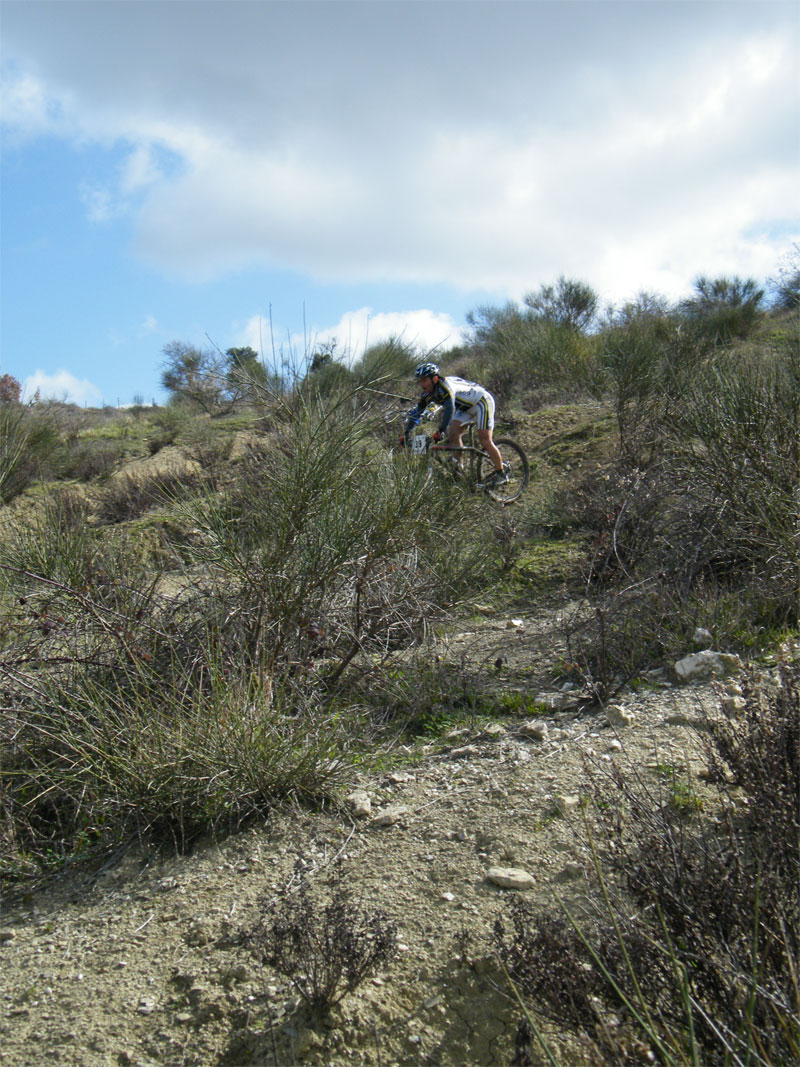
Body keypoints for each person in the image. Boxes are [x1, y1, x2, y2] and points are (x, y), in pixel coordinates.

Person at [403, 363, 508, 485]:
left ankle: (501, 473)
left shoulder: (446, 387)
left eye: (424, 380)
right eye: (419, 381)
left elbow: (450, 408)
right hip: (466, 408)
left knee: (484, 439)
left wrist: (441, 430)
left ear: (435, 378)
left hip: (481, 401)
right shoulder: (427, 394)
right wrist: (407, 434)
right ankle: (458, 470)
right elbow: (417, 413)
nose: (421, 384)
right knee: (453, 434)